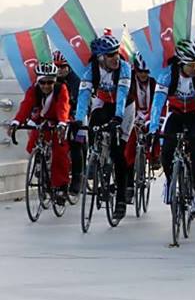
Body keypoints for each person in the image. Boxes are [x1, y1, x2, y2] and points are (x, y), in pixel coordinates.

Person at [147, 40, 195, 218]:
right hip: (175, 113)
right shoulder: (167, 75)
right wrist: (153, 129)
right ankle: (170, 180)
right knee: (166, 149)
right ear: (181, 63)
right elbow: (157, 104)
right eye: (192, 65)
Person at [74, 34, 132, 221]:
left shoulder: (124, 67)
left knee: (118, 153)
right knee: (93, 124)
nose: (115, 57)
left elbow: (122, 95)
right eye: (110, 55)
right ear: (100, 57)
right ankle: (96, 157)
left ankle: (121, 199)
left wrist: (118, 118)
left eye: (116, 53)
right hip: (103, 102)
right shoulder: (90, 70)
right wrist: (77, 120)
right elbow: (83, 96)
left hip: (125, 107)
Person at [8, 63, 71, 204]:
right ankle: (39, 163)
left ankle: (61, 186)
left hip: (57, 120)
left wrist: (62, 123)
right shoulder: (33, 90)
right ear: (38, 81)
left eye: (50, 82)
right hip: (41, 120)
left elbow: (63, 107)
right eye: (43, 82)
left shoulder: (61, 89)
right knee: (32, 143)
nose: (46, 86)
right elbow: (26, 105)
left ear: (55, 81)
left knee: (60, 151)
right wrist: (17, 121)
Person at [123, 53, 158, 184]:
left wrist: (150, 117)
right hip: (133, 112)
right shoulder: (129, 80)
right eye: (140, 71)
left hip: (150, 112)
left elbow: (158, 102)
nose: (143, 75)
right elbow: (126, 100)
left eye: (146, 72)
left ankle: (155, 156)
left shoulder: (155, 81)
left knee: (155, 130)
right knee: (130, 143)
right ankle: (129, 181)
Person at [53, 51, 84, 195]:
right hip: (60, 117)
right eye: (56, 66)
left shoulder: (76, 80)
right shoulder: (50, 80)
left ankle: (78, 177)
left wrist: (74, 117)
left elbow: (80, 102)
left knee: (77, 144)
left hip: (77, 114)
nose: (59, 70)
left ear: (68, 67)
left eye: (62, 67)